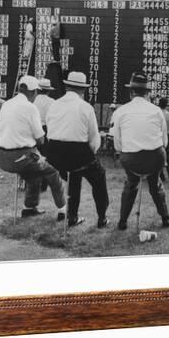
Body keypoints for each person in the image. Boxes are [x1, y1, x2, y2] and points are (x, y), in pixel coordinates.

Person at [0, 75, 66, 219]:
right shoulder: (30, 107)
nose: (36, 95)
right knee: (52, 171)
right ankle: (63, 209)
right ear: (32, 92)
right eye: (36, 92)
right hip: (21, 156)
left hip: (1, 156)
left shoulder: (7, 104)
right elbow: (40, 139)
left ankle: (29, 208)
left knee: (34, 175)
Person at [45, 71, 110, 228]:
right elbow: (94, 139)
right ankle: (102, 218)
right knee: (99, 177)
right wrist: (89, 155)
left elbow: (50, 130)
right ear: (83, 90)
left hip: (54, 154)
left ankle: (72, 217)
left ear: (67, 87)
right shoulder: (85, 107)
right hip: (77, 153)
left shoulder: (53, 105)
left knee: (74, 176)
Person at [112, 72, 169, 230]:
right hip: (156, 157)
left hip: (131, 159)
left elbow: (117, 142)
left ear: (131, 91)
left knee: (131, 183)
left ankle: (123, 221)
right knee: (155, 184)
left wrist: (125, 153)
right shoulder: (157, 111)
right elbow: (164, 141)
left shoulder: (121, 111)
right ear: (147, 93)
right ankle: (165, 218)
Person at [34, 78, 56, 191]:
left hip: (34, 129)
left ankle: (32, 182)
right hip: (47, 129)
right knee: (45, 156)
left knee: (32, 156)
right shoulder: (52, 102)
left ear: (38, 90)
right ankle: (43, 184)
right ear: (48, 90)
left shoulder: (32, 101)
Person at [158, 97, 169, 181]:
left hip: (157, 137)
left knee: (157, 157)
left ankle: (161, 177)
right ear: (167, 104)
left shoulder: (156, 114)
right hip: (167, 136)